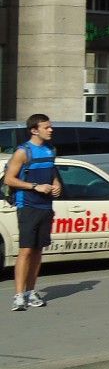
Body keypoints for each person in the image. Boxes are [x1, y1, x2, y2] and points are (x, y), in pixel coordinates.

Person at [5, 114, 62, 311]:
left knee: (38, 251)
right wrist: (35, 186)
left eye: (51, 127)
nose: (51, 130)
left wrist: (56, 185)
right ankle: (19, 296)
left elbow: (52, 172)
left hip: (46, 207)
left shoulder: (50, 150)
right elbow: (9, 180)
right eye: (47, 127)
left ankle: (30, 292)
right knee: (26, 250)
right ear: (34, 130)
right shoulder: (23, 152)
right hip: (27, 205)